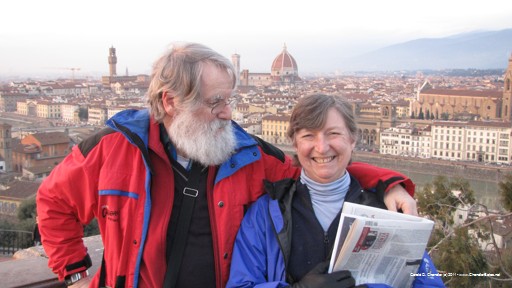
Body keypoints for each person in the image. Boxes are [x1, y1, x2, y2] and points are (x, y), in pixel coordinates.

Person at [37, 42, 418, 288]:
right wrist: (75, 273)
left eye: (230, 100)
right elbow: (54, 202)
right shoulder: (113, 148)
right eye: (216, 102)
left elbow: (316, 168)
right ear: (171, 102)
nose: (228, 113)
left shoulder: (248, 153)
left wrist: (387, 183)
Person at [227, 94, 445, 288]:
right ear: (294, 143)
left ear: (352, 139)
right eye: (308, 136)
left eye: (333, 133)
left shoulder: (390, 211)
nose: (321, 147)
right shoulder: (264, 214)